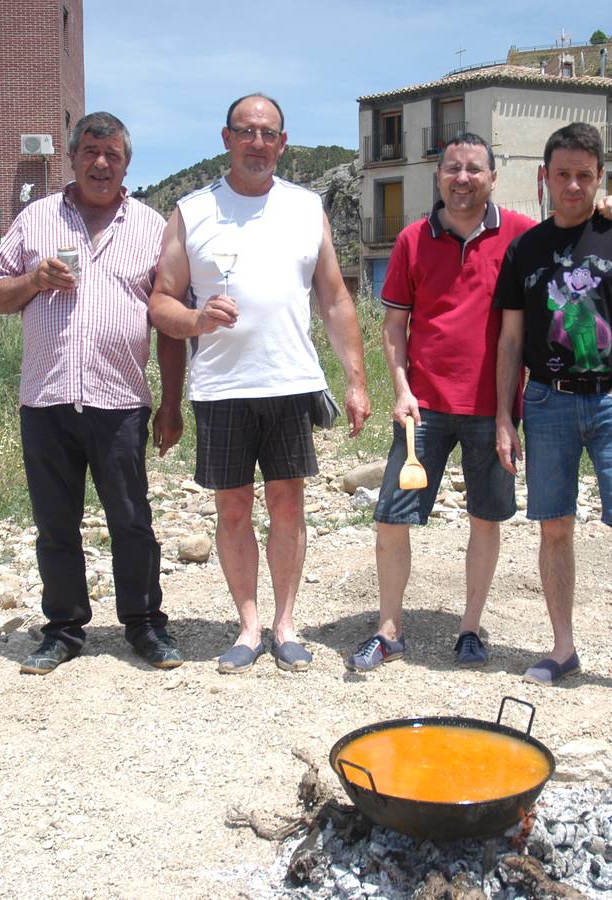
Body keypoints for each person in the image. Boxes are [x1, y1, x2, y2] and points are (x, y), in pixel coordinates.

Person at [345, 132, 612, 673]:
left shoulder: (521, 235)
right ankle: (388, 629)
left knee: (485, 518)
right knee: (392, 518)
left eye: (475, 169)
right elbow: (394, 327)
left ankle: (470, 629)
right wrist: (401, 390)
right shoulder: (410, 240)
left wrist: (610, 207)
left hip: (493, 407)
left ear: (493, 178)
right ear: (439, 175)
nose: (463, 178)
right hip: (422, 408)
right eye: (453, 168)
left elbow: (579, 233)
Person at [149, 93, 371, 674]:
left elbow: (335, 297)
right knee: (233, 510)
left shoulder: (305, 207)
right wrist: (196, 321)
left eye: (268, 133)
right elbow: (161, 303)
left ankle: (285, 625)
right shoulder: (192, 211)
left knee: (288, 506)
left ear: (282, 142)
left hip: (289, 382)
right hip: (221, 389)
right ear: (226, 138)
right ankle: (248, 627)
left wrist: (356, 380)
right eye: (246, 132)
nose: (257, 143)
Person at [0, 111, 186, 675]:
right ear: (72, 158)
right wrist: (33, 281)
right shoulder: (37, 220)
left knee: (131, 520)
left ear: (126, 164)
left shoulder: (151, 227)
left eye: (113, 154)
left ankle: (145, 625)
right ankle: (64, 630)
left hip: (119, 400)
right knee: (55, 523)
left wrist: (171, 403)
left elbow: (168, 322)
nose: (101, 163)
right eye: (91, 151)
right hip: (46, 399)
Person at [493, 122, 612, 705]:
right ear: (544, 178)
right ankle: (562, 649)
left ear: (601, 177)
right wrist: (506, 416)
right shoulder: (524, 249)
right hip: (547, 401)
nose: (572, 185)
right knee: (555, 529)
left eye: (584, 174)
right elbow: (509, 342)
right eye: (562, 174)